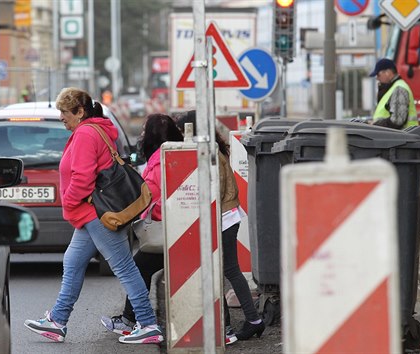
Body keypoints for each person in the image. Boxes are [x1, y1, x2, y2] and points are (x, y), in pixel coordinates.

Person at [24, 87, 164, 345]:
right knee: (73, 261)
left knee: (123, 267)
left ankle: (148, 324)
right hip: (91, 214)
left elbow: (83, 177)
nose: (61, 117)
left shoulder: (86, 134)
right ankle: (57, 320)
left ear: (80, 111)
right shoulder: (92, 130)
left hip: (96, 214)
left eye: (65, 112)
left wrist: (66, 200)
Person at [176, 110, 265, 342]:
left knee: (225, 270)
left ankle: (239, 322)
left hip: (223, 217)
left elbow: (214, 190)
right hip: (228, 215)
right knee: (225, 270)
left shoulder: (210, 153)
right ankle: (247, 320)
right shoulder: (214, 147)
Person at [100, 113, 183, 337]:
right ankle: (132, 318)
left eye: (145, 130)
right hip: (179, 227)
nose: (142, 134)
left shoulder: (158, 163)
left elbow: (150, 197)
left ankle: (131, 320)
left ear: (153, 136)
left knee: (138, 268)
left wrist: (126, 213)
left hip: (168, 228)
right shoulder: (175, 155)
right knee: (141, 268)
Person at [370, 58, 418, 129]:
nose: (377, 78)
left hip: (402, 137)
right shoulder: (393, 88)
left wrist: (374, 125)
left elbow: (397, 121)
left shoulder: (399, 89)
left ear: (388, 73)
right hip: (397, 137)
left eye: (378, 75)